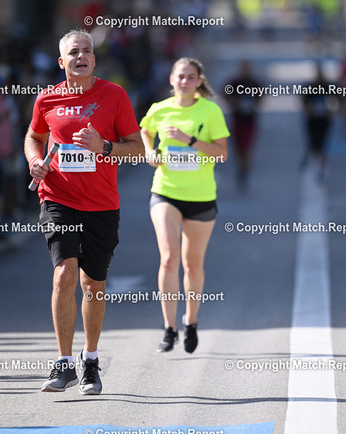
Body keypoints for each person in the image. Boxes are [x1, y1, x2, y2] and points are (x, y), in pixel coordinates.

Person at [25, 29, 141, 395]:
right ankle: (64, 363)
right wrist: (34, 161)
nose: (81, 56)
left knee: (93, 283)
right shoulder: (47, 99)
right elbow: (34, 137)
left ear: (94, 59)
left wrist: (103, 146)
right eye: (74, 52)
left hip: (101, 204)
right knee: (64, 274)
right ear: (62, 62)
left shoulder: (114, 95)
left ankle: (89, 361)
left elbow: (136, 148)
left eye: (87, 50)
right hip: (57, 197)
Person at [140, 57, 229, 354]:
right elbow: (145, 131)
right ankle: (169, 328)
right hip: (165, 191)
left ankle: (190, 320)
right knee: (168, 259)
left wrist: (189, 140)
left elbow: (221, 153)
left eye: (191, 77)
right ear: (171, 79)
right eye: (180, 76)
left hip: (201, 196)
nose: (185, 81)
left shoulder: (210, 111)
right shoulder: (159, 109)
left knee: (192, 264)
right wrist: (149, 151)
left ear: (199, 81)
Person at [224, 60, 261, 193]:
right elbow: (225, 95)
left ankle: (245, 170)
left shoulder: (254, 83)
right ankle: (241, 168)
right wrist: (234, 103)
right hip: (237, 120)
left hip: (250, 120)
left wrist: (254, 104)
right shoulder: (234, 83)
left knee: (247, 147)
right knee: (238, 148)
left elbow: (261, 97)